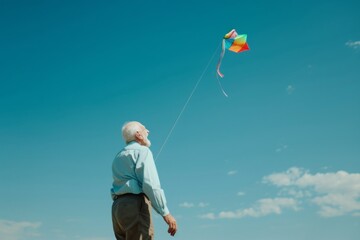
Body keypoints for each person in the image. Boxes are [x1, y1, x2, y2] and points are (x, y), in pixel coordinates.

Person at [111, 121, 177, 240]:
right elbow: (151, 185)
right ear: (138, 134)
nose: (148, 131)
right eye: (144, 129)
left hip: (117, 208)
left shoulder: (118, 156)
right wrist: (165, 213)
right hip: (135, 205)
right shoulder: (143, 151)